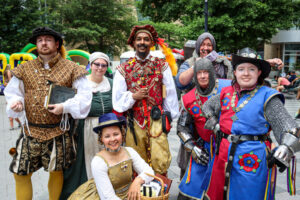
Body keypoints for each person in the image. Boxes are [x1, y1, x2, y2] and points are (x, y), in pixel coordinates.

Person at [4, 27, 92, 200]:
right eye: (40, 40)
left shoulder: (72, 68)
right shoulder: (24, 69)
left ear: (57, 44)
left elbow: (84, 97)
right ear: (36, 45)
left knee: (56, 171)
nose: (43, 43)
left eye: (48, 39)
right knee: (20, 173)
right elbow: (13, 92)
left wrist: (64, 107)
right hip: (30, 132)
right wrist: (17, 103)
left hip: (58, 131)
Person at [201, 48, 300, 200]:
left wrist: (285, 148)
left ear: (259, 72)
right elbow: (207, 107)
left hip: (252, 161)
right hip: (222, 158)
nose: (246, 73)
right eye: (241, 69)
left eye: (251, 69)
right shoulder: (225, 92)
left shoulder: (268, 96)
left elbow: (291, 129)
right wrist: (215, 124)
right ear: (234, 72)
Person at [112, 24, 179, 175]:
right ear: (134, 43)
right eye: (139, 39)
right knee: (135, 160)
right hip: (134, 120)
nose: (142, 42)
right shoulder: (123, 69)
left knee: (160, 159)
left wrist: (168, 117)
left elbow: (170, 94)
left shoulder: (162, 65)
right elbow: (117, 101)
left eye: (146, 39)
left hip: (157, 120)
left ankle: (159, 194)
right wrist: (133, 96)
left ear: (151, 43)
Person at [60, 52, 113, 199]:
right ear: (91, 65)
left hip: (108, 127)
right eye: (97, 64)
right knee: (87, 159)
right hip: (86, 126)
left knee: (107, 159)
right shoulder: (81, 82)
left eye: (104, 65)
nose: (100, 68)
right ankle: (88, 192)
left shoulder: (111, 83)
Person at [177, 58, 231, 199]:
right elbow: (182, 127)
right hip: (204, 149)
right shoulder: (188, 98)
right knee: (188, 191)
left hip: (228, 148)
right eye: (199, 73)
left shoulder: (228, 87)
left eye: (206, 72)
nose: (202, 76)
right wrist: (193, 148)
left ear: (212, 73)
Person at [68, 113, 154, 199]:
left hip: (129, 194)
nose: (112, 139)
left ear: (122, 133)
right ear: (101, 138)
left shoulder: (130, 152)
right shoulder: (98, 162)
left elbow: (149, 172)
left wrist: (137, 181)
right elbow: (107, 197)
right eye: (107, 136)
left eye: (116, 134)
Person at [3, 64, 22, 130]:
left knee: (12, 114)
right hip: (10, 99)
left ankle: (17, 124)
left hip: (13, 99)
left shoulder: (14, 82)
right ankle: (13, 126)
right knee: (10, 114)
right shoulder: (8, 81)